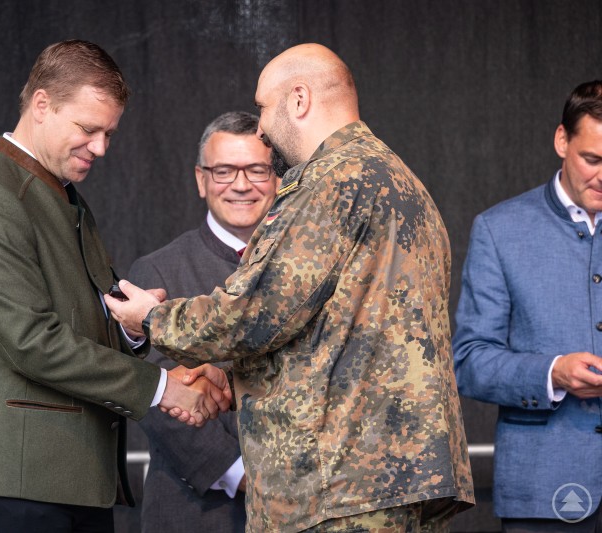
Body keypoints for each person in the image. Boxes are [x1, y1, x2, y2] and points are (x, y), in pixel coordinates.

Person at [106, 43, 474, 532]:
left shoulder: (332, 181)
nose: (260, 127)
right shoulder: (399, 181)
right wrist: (236, 383)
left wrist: (150, 321)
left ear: (298, 100)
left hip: (340, 487)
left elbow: (255, 313)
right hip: (393, 478)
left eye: (262, 107)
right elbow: (345, 339)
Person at [0, 40, 229, 533]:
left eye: (109, 133)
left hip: (68, 484)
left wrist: (136, 328)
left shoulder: (63, 199)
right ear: (41, 105)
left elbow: (86, 325)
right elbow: (32, 342)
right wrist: (165, 386)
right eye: (89, 129)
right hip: (7, 487)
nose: (101, 147)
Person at [453, 80, 602, 532]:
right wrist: (552, 373)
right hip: (544, 491)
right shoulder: (500, 231)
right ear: (562, 141)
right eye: (592, 160)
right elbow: (469, 360)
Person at [130, 111, 278, 533]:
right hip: (196, 514)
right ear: (201, 179)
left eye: (257, 170)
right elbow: (155, 393)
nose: (241, 184)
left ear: (279, 178)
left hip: (303, 511)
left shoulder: (305, 269)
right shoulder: (157, 273)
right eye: (224, 171)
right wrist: (243, 474)